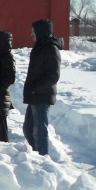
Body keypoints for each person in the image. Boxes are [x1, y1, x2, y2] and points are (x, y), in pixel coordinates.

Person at [23, 19, 61, 156]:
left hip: (41, 95)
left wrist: (36, 88)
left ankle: (42, 159)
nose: (31, 34)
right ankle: (35, 155)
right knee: (28, 129)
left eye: (33, 31)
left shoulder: (51, 49)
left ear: (40, 31)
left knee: (39, 131)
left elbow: (53, 76)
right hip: (35, 95)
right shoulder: (40, 47)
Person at [0, 31, 16, 142]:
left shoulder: (7, 56)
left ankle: (4, 149)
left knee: (1, 127)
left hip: (1, 96)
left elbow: (10, 78)